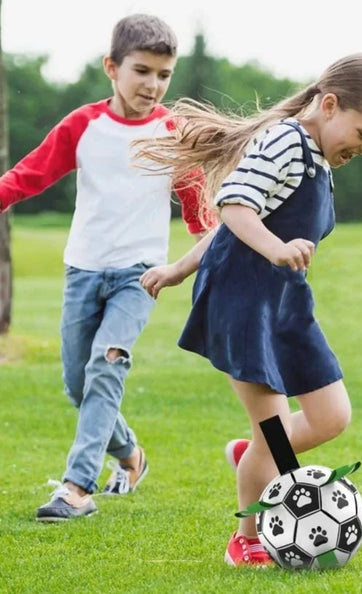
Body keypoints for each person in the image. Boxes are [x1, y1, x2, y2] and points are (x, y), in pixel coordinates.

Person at [135, 52, 362, 567]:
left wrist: (179, 266)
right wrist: (273, 249)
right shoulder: (285, 140)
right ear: (329, 105)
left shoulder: (320, 157)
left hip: (285, 303)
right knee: (276, 434)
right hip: (242, 301)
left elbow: (229, 225)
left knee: (331, 417)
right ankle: (247, 536)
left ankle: (252, 457)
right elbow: (234, 206)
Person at [0, 14, 208, 521]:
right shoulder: (82, 126)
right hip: (82, 271)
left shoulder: (173, 135)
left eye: (164, 75)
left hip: (140, 275)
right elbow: (27, 176)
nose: (153, 85)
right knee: (78, 382)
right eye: (142, 71)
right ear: (111, 67)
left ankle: (76, 487)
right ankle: (131, 455)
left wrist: (213, 254)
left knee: (106, 364)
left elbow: (199, 212)